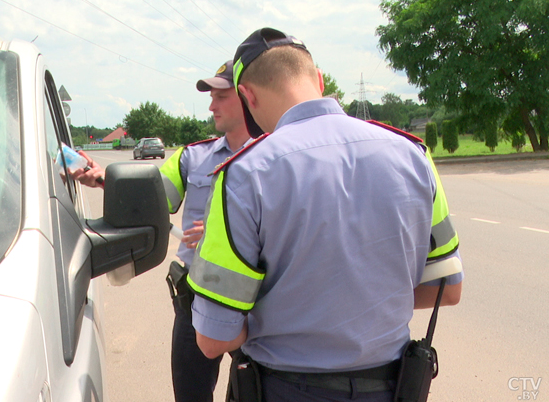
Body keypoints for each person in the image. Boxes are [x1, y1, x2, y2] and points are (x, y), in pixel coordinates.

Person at [186, 28, 463, 402]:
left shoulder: (242, 175)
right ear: (317, 80)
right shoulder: (414, 155)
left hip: (285, 389)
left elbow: (213, 339)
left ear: (247, 95)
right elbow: (446, 288)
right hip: (393, 387)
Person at [72, 60, 252, 402]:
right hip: (196, 299)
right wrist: (102, 177)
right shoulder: (191, 157)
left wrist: (222, 231)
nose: (212, 105)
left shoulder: (277, 157)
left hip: (255, 305)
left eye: (222, 96)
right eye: (210, 96)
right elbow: (149, 193)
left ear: (246, 96)